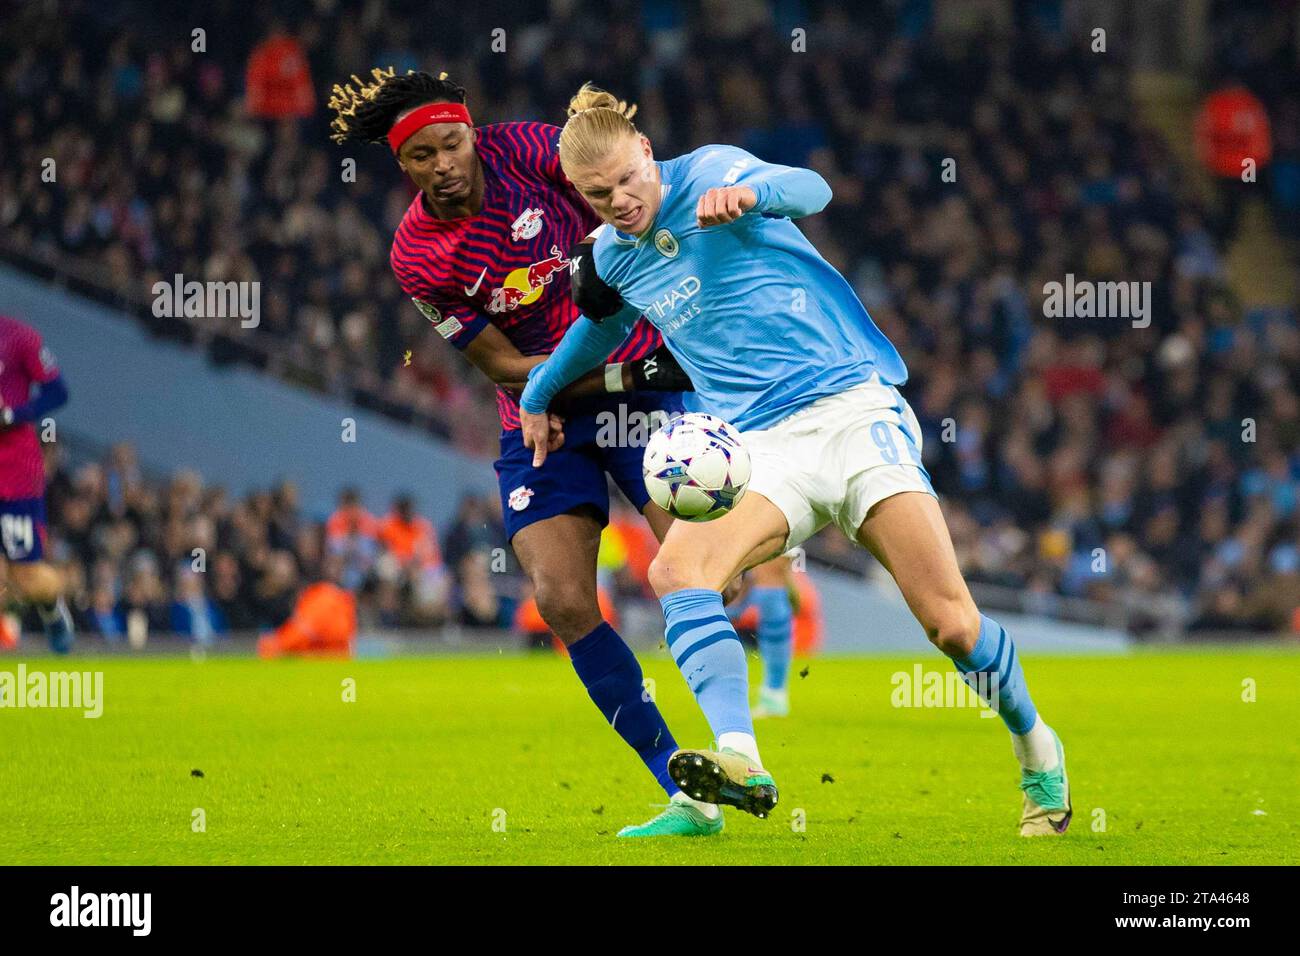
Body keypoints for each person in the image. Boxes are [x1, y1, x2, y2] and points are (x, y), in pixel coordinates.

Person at [520, 85, 1072, 837]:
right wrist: (538, 394)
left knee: (950, 625)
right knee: (678, 572)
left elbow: (812, 189)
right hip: (757, 445)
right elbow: (595, 332)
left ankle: (1035, 742)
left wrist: (750, 193)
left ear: (646, 152)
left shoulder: (713, 171)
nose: (618, 200)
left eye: (626, 178)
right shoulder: (615, 257)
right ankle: (737, 759)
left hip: (851, 409)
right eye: (597, 193)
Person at [327, 68, 720, 837]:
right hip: (547, 412)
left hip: (644, 392)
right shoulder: (418, 254)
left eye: (450, 144)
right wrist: (565, 387)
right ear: (400, 165)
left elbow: (625, 218)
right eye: (420, 157)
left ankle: (732, 725)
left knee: (707, 577)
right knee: (564, 601)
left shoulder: (532, 151)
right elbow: (500, 362)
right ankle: (685, 789)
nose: (441, 164)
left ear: (472, 133)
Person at [0, 315, 74, 653]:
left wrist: (13, 415)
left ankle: (51, 607)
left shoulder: (18, 337)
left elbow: (57, 392)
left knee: (26, 578)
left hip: (13, 475)